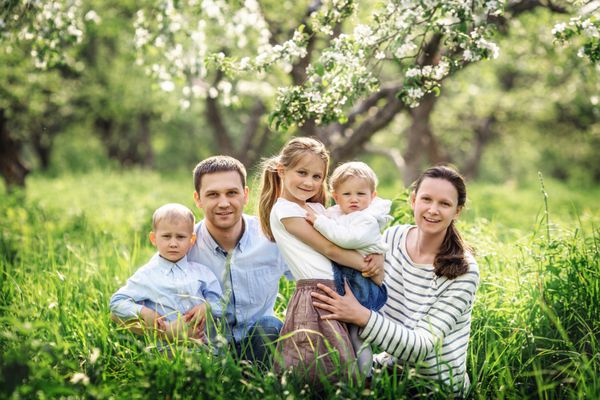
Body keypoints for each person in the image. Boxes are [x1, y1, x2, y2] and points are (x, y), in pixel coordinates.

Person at [311, 165, 480, 395]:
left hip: (435, 387)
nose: (432, 210)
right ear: (413, 200)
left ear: (457, 211)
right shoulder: (392, 238)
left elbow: (420, 347)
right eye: (426, 199)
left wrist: (359, 315)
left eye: (445, 204)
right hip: (392, 371)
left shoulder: (464, 270)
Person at [258, 137, 384, 383]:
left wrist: (377, 253)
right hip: (317, 294)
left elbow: (350, 235)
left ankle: (366, 385)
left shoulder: (315, 208)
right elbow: (330, 249)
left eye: (316, 177)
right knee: (319, 363)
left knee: (352, 351)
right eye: (302, 172)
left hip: (340, 286)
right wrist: (367, 266)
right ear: (282, 170)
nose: (309, 182)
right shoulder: (284, 210)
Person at [187, 155, 289, 366]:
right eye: (213, 194)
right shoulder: (184, 246)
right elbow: (123, 307)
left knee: (269, 325)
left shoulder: (271, 237)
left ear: (245, 195)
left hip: (259, 343)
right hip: (207, 351)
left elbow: (315, 279)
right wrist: (170, 330)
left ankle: (257, 386)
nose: (224, 203)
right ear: (198, 199)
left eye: (232, 193)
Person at [305, 161, 390, 375]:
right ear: (335, 195)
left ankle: (365, 378)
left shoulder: (367, 219)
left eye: (361, 194)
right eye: (347, 194)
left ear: (372, 196)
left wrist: (319, 222)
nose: (354, 199)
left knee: (357, 335)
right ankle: (346, 377)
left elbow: (345, 240)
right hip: (348, 281)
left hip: (363, 285)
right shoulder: (337, 214)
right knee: (344, 335)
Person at [110, 203, 224, 342]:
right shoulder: (147, 275)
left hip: (205, 349)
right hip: (165, 351)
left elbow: (221, 302)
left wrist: (207, 307)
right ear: (154, 239)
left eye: (180, 237)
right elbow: (116, 302)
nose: (173, 243)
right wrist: (145, 312)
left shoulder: (202, 273)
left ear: (191, 240)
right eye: (166, 236)